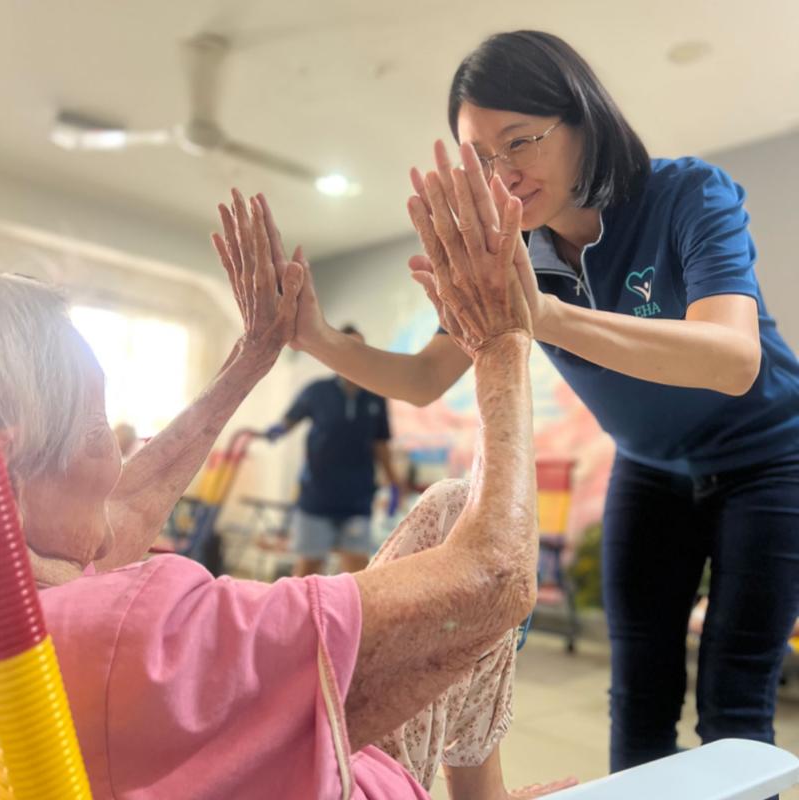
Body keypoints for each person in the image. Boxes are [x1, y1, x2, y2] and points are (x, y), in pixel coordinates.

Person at [277, 30, 799, 777]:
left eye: (519, 141)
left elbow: (734, 359)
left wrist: (543, 315)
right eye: (481, 157)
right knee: (640, 699)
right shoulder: (515, 257)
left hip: (769, 459)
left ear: (584, 119)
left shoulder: (687, 194)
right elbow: (427, 376)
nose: (503, 173)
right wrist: (317, 337)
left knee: (734, 705)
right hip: (650, 469)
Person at [0, 186, 576, 799]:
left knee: (431, 525)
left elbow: (122, 510)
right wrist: (502, 339)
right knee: (457, 524)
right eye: (97, 432)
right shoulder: (136, 634)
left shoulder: (34, 601)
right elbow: (495, 578)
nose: (118, 464)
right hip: (355, 769)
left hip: (348, 505)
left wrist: (252, 355)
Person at [265, 324, 402, 577]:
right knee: (307, 571)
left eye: (361, 348)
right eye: (349, 347)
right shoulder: (317, 391)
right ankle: (299, 618)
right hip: (317, 497)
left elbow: (381, 445)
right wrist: (273, 431)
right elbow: (288, 421)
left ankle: (354, 618)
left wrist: (394, 484)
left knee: (358, 574)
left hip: (357, 499)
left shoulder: (376, 397)